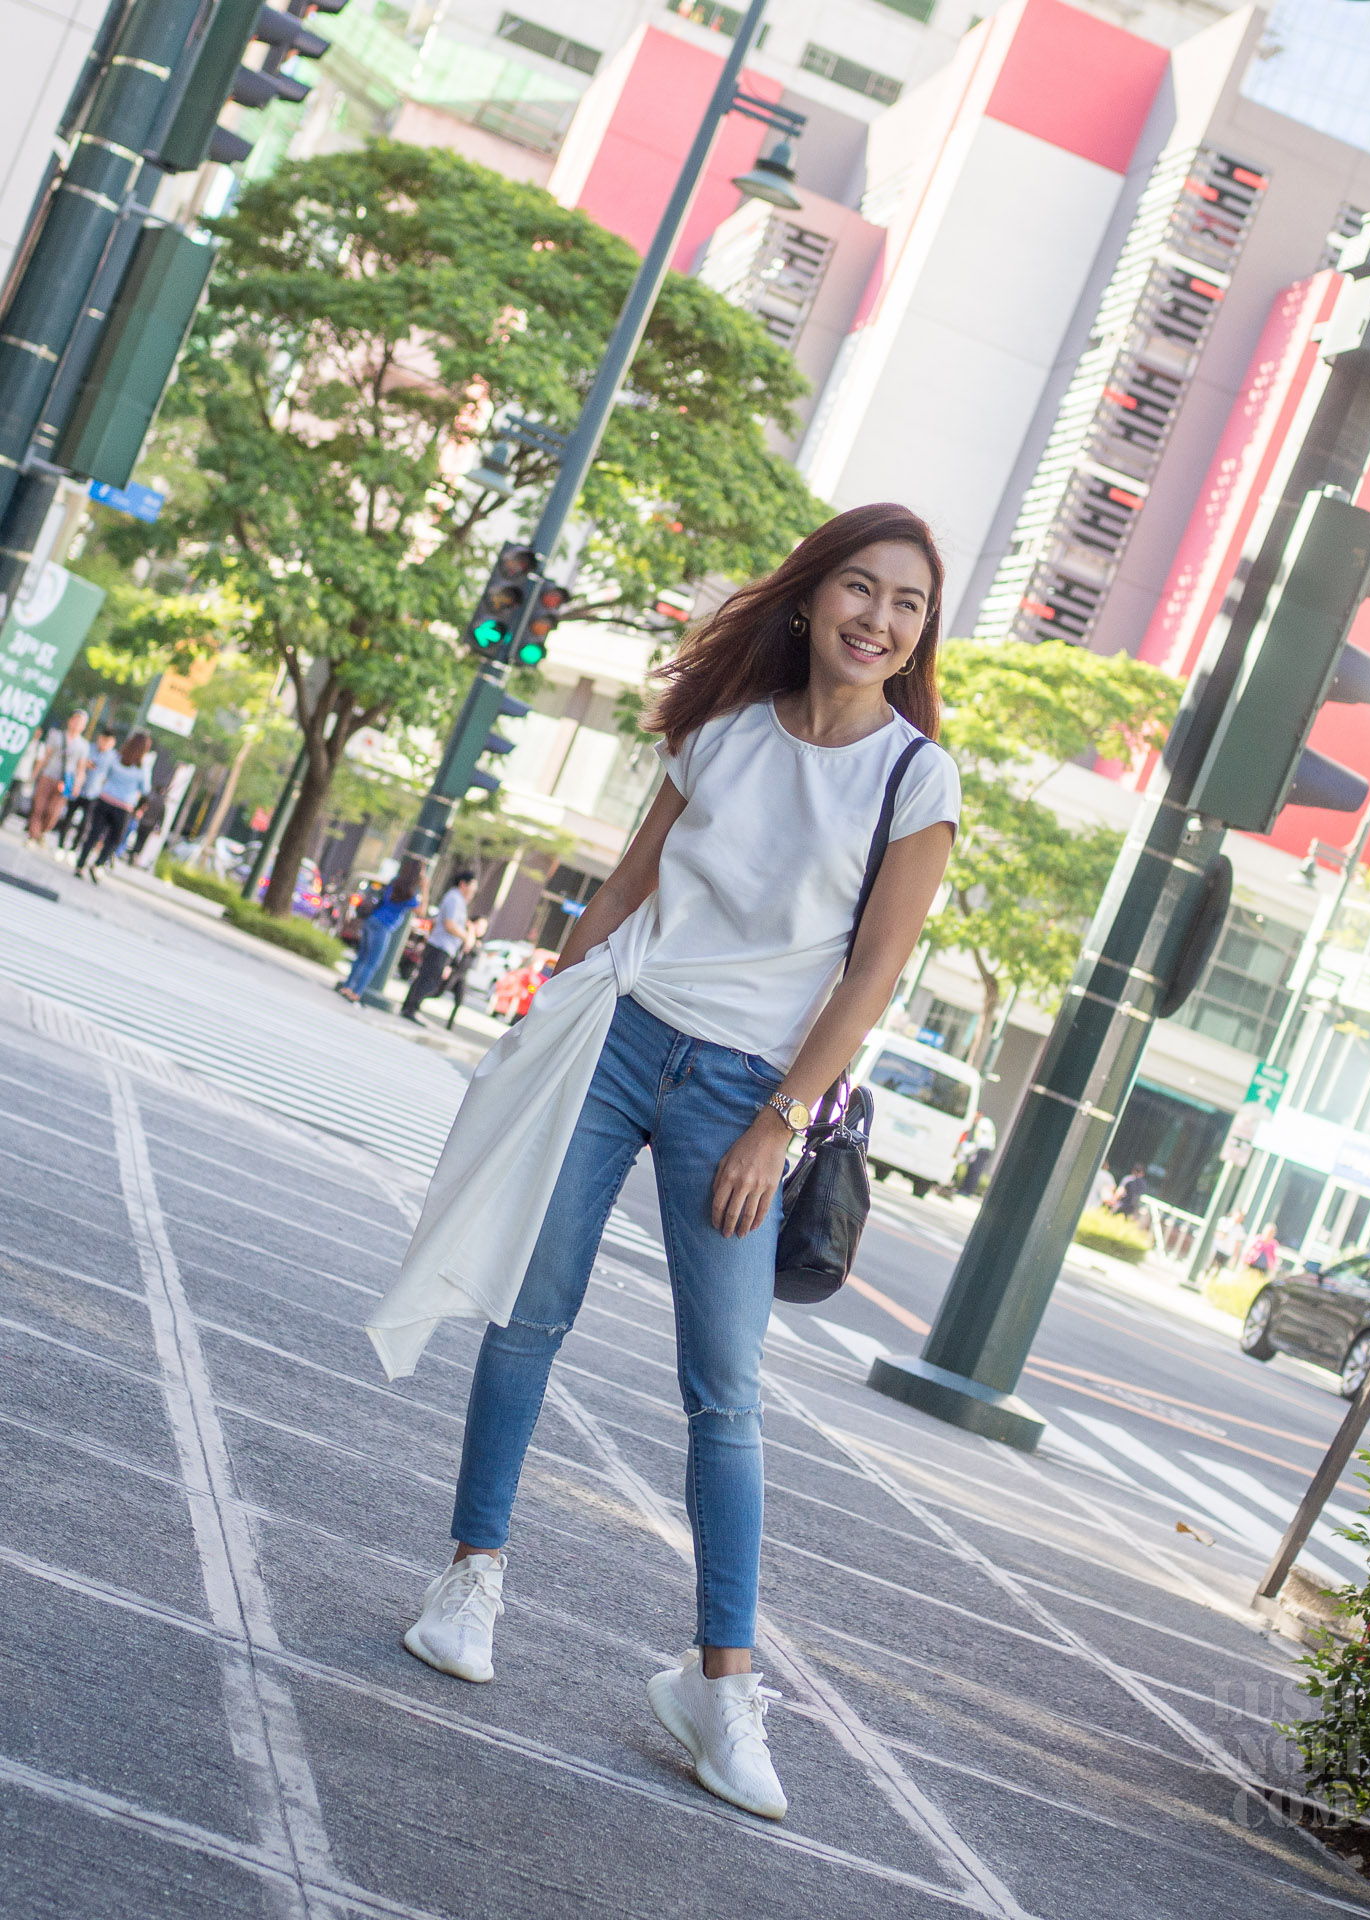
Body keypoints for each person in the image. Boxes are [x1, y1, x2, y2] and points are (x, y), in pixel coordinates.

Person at [365, 502, 960, 1822]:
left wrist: (780, 1120)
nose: (878, 619)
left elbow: (872, 976)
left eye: (907, 604)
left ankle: (721, 1685)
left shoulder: (916, 778)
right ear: (809, 601)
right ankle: (470, 1580)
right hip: (618, 1040)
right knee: (529, 1314)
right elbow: (626, 892)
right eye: (858, 589)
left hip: (746, 1094)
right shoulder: (722, 732)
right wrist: (545, 1010)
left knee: (726, 1391)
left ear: (922, 632)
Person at [339, 857, 427, 1003]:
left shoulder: (395, 882)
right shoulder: (409, 892)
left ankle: (347, 986)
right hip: (383, 926)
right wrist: (425, 888)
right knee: (372, 962)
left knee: (362, 957)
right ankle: (356, 992)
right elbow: (421, 911)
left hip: (372, 919)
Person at [400, 870, 477, 1022]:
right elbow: (450, 924)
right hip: (440, 946)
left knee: (429, 979)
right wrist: (466, 937)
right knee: (428, 979)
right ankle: (410, 1008)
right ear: (463, 884)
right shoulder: (454, 898)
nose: (473, 892)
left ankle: (412, 1007)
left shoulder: (458, 900)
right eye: (472, 887)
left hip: (444, 946)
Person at [74, 731, 151, 881]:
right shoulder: (142, 768)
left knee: (93, 834)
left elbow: (104, 774)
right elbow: (145, 790)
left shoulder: (116, 758)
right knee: (115, 840)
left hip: (104, 800)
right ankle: (98, 864)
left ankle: (80, 865)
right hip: (124, 807)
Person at [27, 710, 91, 845]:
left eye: (80, 722)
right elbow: (46, 756)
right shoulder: (56, 736)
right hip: (48, 775)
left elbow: (81, 768)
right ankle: (33, 836)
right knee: (38, 807)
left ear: (84, 727)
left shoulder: (83, 745)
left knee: (53, 812)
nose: (76, 724)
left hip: (65, 781)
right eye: (75, 720)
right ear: (70, 720)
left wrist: (78, 784)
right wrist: (34, 774)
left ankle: (42, 832)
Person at [59, 728, 116, 851]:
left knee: (85, 823)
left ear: (112, 743)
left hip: (94, 793)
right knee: (68, 817)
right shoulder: (88, 748)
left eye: (108, 742)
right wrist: (84, 765)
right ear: (99, 738)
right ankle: (61, 845)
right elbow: (75, 763)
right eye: (103, 740)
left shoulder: (113, 758)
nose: (104, 743)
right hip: (78, 788)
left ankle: (74, 849)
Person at [959, 1112, 996, 1195]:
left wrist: (971, 1149)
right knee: (972, 1169)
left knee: (974, 1171)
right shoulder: (984, 1123)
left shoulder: (983, 1122)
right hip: (981, 1150)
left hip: (982, 1150)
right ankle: (965, 1189)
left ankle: (967, 1191)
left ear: (979, 1114)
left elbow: (980, 1140)